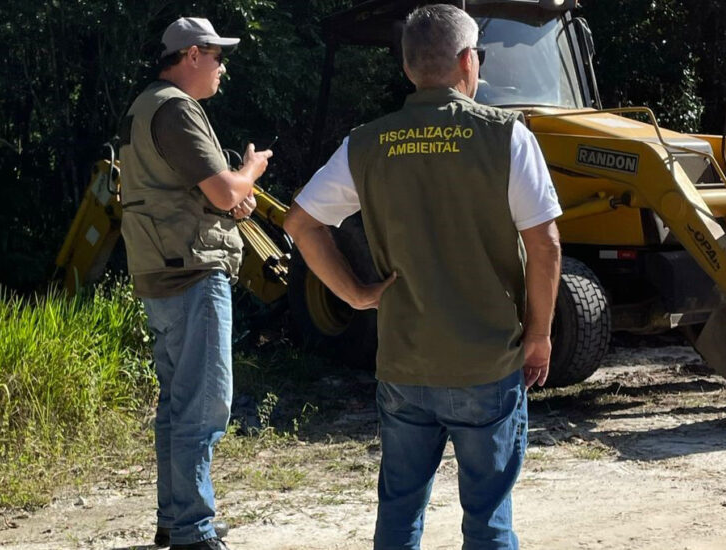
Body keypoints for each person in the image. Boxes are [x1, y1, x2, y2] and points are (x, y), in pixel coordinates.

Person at [284, 4, 562, 549]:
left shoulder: (366, 143)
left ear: (408, 67)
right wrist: (538, 336)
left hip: (405, 364)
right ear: (468, 61)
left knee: (399, 512)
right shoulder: (506, 136)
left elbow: (300, 223)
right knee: (488, 519)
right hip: (487, 364)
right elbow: (546, 245)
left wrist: (355, 295)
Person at [117, 16, 272, 550]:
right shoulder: (178, 108)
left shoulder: (146, 105)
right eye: (217, 56)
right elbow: (226, 192)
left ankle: (176, 516)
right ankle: (192, 529)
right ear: (191, 55)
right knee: (203, 405)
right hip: (192, 271)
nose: (222, 68)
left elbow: (197, 193)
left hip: (160, 268)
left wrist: (232, 196)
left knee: (177, 403)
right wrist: (250, 171)